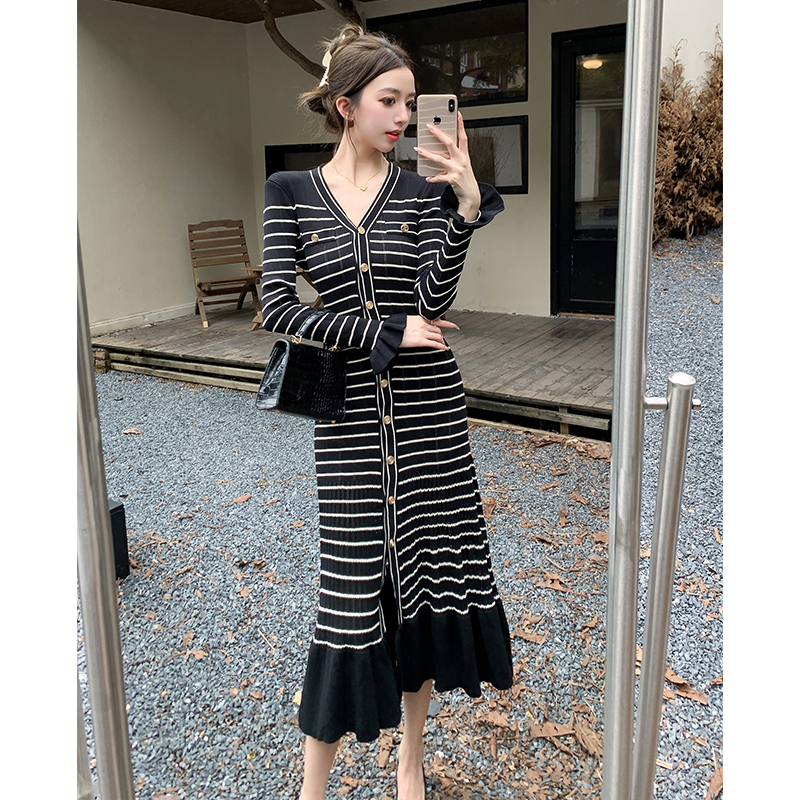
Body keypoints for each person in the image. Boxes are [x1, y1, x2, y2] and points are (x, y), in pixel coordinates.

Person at [260, 22, 513, 800]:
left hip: (431, 413)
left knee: (426, 589)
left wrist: (464, 208)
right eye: (389, 101)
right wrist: (384, 330)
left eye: (411, 102)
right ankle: (313, 790)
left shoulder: (422, 190)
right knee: (347, 601)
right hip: (346, 423)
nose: (405, 116)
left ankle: (410, 762)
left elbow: (434, 298)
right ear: (346, 105)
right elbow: (278, 309)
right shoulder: (290, 192)